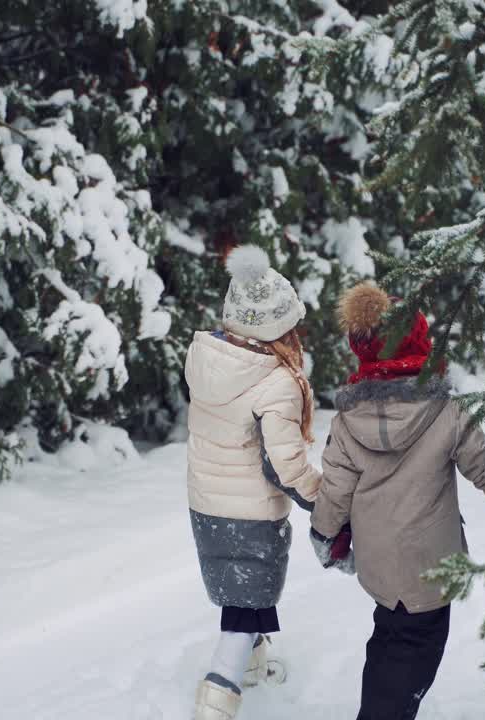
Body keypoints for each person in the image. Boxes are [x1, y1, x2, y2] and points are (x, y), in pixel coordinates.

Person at [309, 283, 485, 720]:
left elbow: (335, 490)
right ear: (419, 343)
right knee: (414, 655)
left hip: (379, 564)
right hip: (430, 566)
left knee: (388, 639)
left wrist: (324, 537)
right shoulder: (445, 410)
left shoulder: (347, 420)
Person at [184, 245, 324, 720]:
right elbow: (285, 465)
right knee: (243, 609)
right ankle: (217, 696)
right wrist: (323, 497)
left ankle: (251, 668)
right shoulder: (276, 382)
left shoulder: (208, 358)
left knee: (243, 594)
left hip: (207, 504)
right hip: (250, 513)